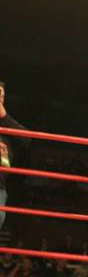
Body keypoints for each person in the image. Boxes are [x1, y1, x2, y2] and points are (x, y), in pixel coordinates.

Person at [0, 80, 32, 230]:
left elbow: (27, 139)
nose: (0, 99)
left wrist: (3, 117)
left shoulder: (8, 124)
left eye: (2, 96)